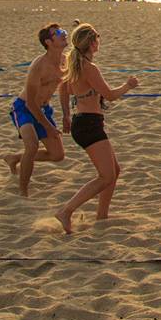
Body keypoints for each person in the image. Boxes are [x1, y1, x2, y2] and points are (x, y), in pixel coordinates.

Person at [55, 24, 138, 234]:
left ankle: (102, 216)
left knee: (114, 171)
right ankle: (66, 211)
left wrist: (65, 114)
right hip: (88, 125)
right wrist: (128, 85)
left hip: (83, 122)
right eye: (97, 39)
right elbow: (109, 95)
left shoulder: (75, 63)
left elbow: (63, 89)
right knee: (106, 176)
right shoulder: (88, 68)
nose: (99, 42)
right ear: (92, 43)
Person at [4, 23, 69, 196]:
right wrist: (48, 126)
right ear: (48, 42)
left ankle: (15, 158)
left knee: (58, 155)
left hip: (44, 108)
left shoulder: (64, 60)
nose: (64, 34)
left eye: (64, 31)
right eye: (59, 33)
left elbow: (64, 88)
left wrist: (66, 115)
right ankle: (23, 192)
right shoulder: (39, 65)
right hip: (24, 108)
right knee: (31, 146)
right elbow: (31, 103)